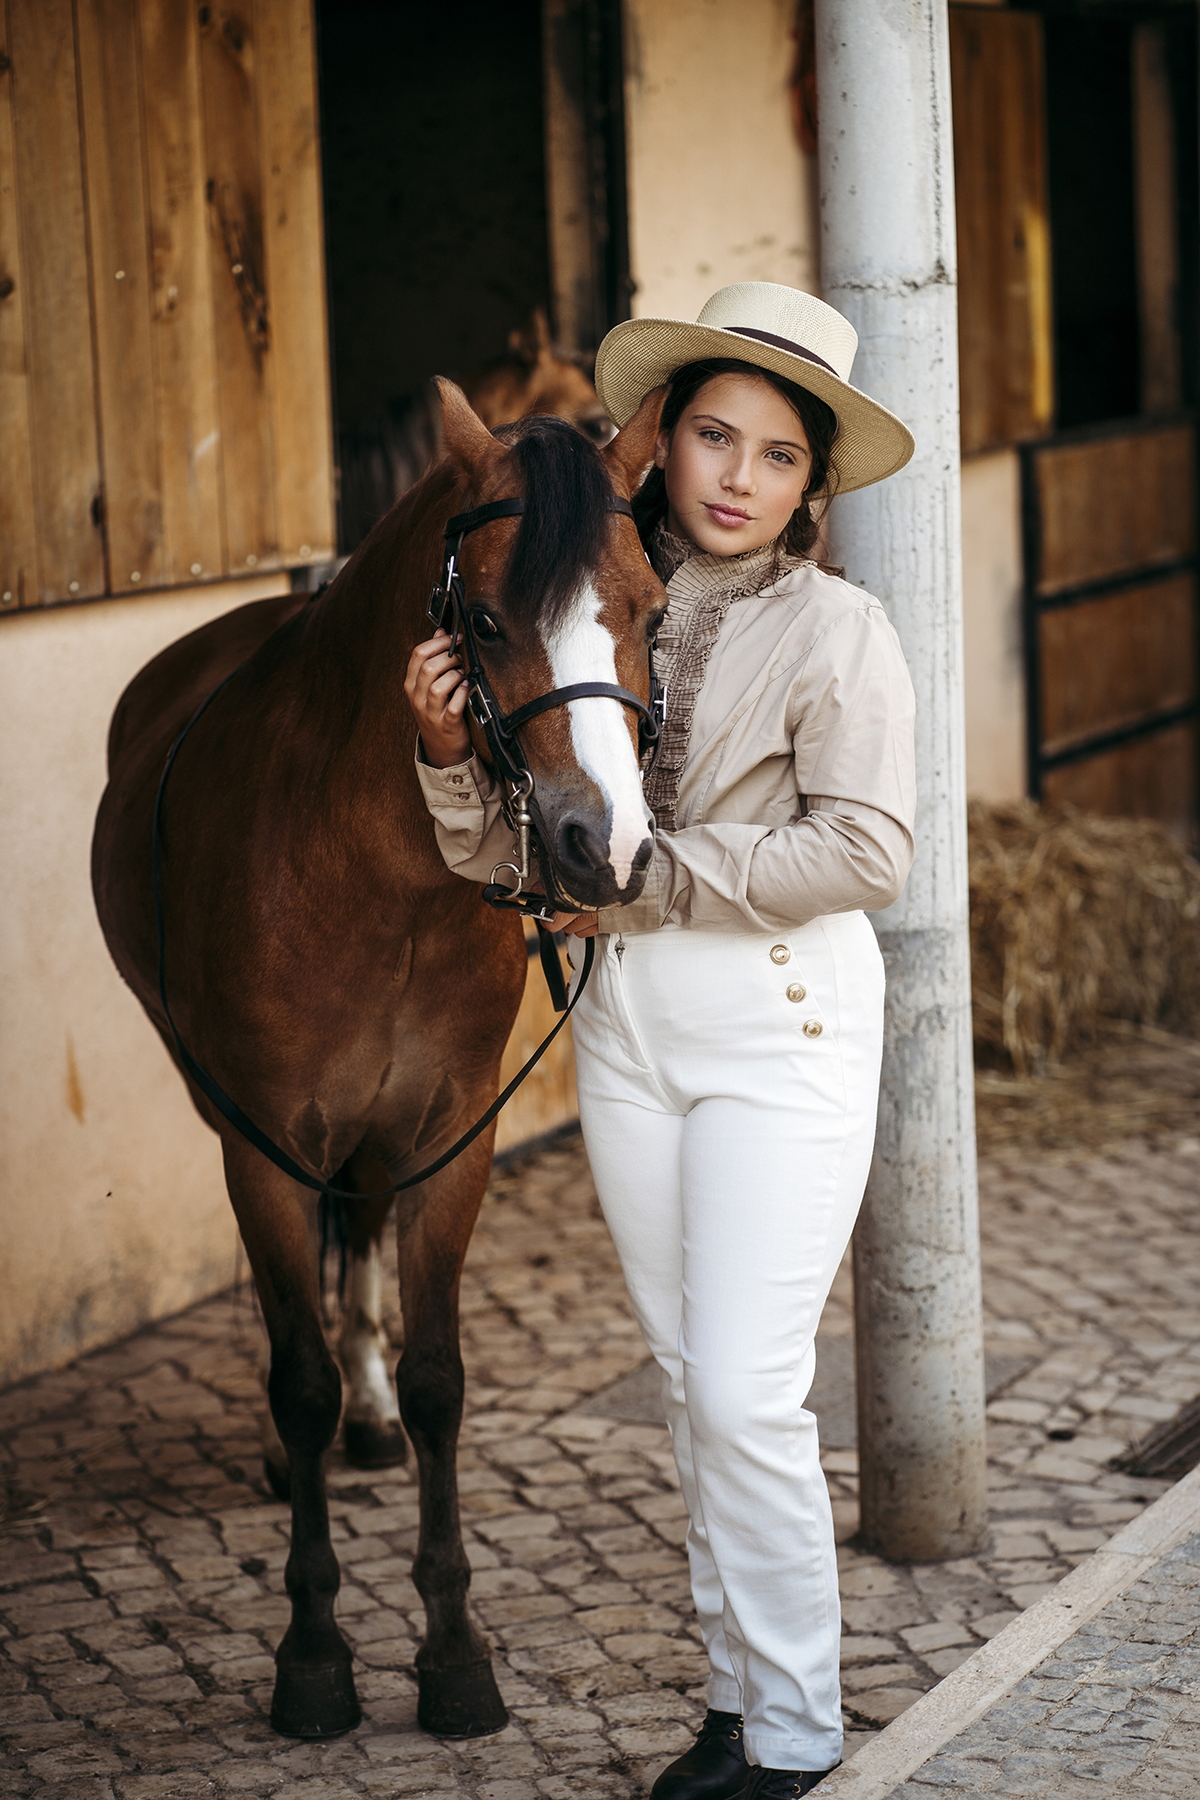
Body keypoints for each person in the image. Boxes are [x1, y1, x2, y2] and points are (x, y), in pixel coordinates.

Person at [406, 283, 917, 1799]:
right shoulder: (595, 594)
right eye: (712, 435)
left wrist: (652, 882)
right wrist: (450, 767)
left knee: (752, 1390)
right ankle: (733, 1701)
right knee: (693, 1380)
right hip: (632, 1042)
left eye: (776, 454)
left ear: (813, 486)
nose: (738, 476)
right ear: (663, 445)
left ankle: (803, 1733)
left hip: (784, 1031)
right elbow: (527, 855)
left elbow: (868, 853)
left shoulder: (841, 631)